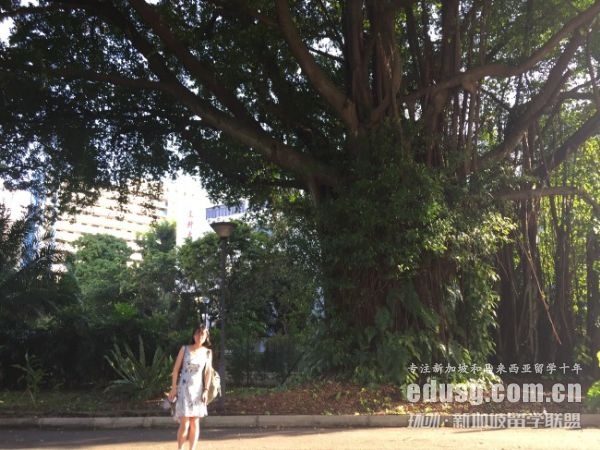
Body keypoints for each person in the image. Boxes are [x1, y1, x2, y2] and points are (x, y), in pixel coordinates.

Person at [168, 324, 213, 450]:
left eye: (203, 334)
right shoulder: (184, 349)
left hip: (198, 390)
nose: (200, 336)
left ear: (206, 336)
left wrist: (206, 390)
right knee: (185, 422)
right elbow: (176, 370)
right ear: (193, 335)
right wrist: (173, 388)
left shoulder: (208, 352)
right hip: (184, 389)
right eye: (198, 333)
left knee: (195, 422)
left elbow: (208, 372)